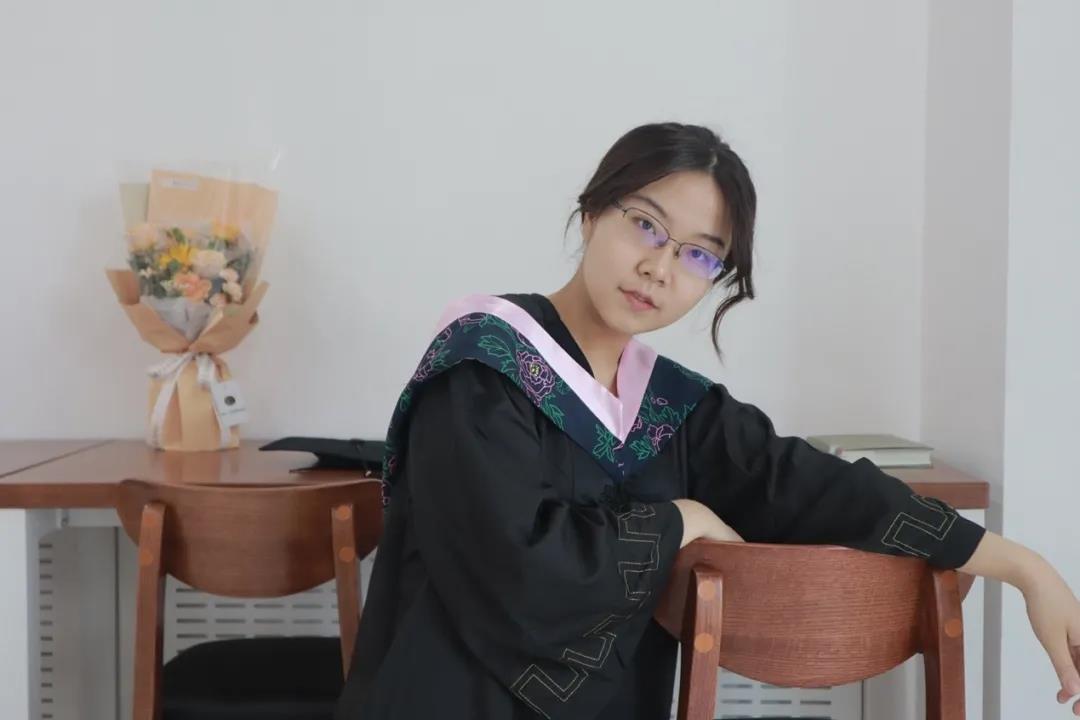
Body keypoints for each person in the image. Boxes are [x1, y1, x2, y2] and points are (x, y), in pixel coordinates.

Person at [334, 122, 1080, 719]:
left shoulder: (673, 406)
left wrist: (1024, 568)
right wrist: (680, 520)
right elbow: (521, 571)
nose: (660, 268)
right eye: (645, 225)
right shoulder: (481, 368)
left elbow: (811, 486)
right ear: (592, 214)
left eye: (699, 256)